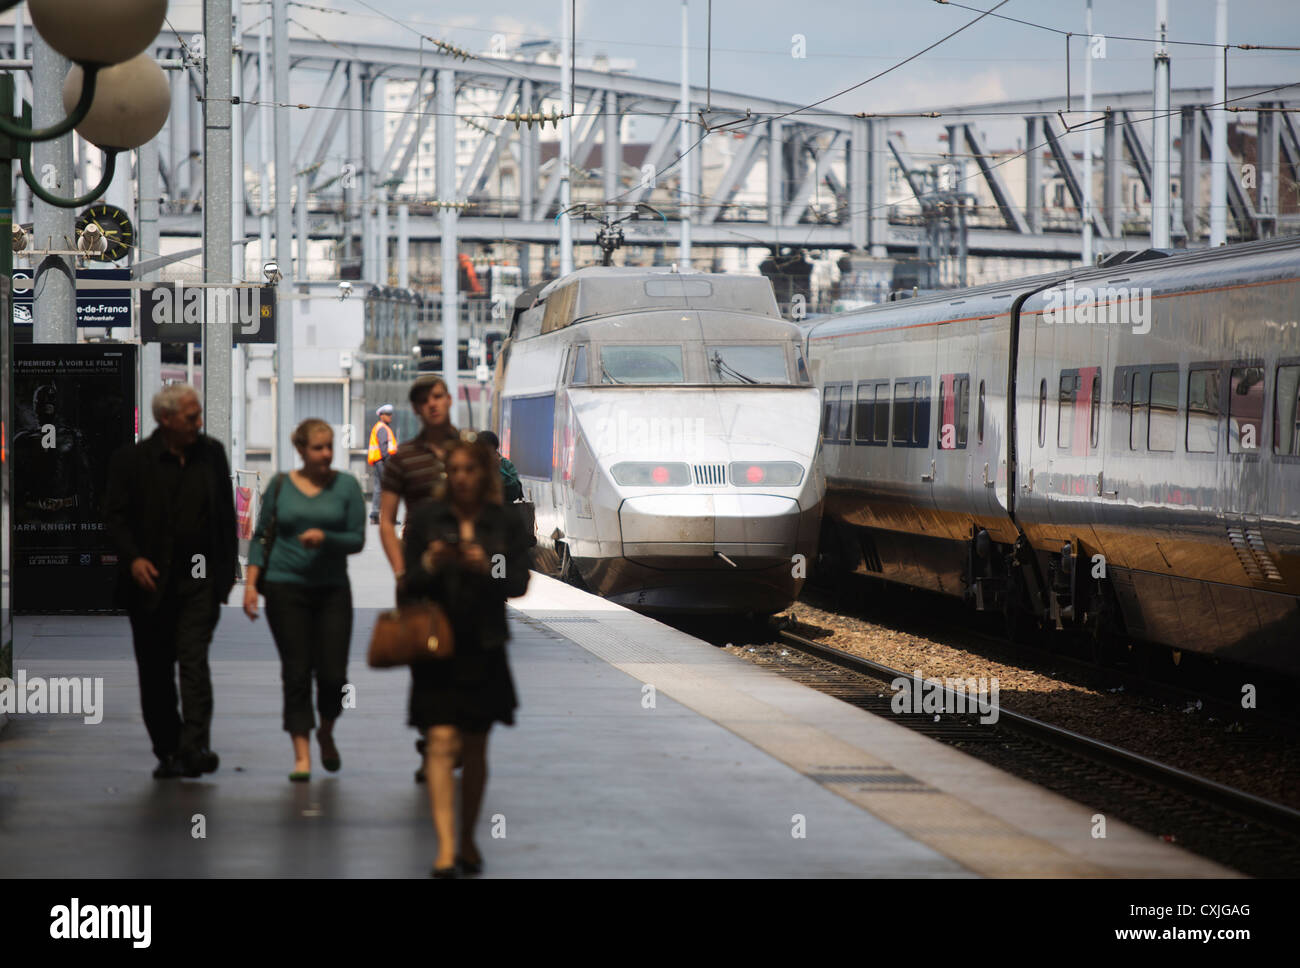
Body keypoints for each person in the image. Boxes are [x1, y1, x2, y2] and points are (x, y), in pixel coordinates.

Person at [402, 435, 531, 877]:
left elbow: (516, 583)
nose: (460, 478)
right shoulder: (425, 520)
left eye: (469, 470)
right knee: (439, 742)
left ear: (484, 474)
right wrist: (433, 565)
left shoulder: (505, 522)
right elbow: (409, 585)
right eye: (453, 470)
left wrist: (488, 563)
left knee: (474, 747)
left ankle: (470, 837)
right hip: (437, 647)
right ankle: (444, 845)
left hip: (484, 645)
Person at [104, 384, 238, 779]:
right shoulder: (131, 461)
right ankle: (169, 748)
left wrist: (222, 580)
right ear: (165, 420)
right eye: (190, 417)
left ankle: (195, 746)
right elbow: (114, 517)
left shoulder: (211, 454)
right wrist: (133, 559)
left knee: (194, 663)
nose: (199, 424)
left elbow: (225, 520)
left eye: (198, 415)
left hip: (200, 583)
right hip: (150, 586)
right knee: (156, 672)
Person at [243, 419, 365, 781]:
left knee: (332, 674)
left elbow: (357, 539)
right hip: (284, 587)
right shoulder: (281, 485)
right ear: (301, 450)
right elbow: (260, 536)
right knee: (296, 671)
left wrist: (326, 538)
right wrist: (251, 585)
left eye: (330, 447)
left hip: (331, 590)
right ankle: (301, 756)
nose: (326, 454)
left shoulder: (346, 486)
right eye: (318, 448)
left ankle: (325, 732)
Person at [379, 375, 458, 782]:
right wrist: (400, 570)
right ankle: (431, 743)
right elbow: (387, 521)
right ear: (415, 409)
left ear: (449, 400)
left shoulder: (469, 452)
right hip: (418, 576)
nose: (433, 405)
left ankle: (452, 736)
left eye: (439, 397)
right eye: (424, 400)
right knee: (426, 662)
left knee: (461, 661)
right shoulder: (403, 458)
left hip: (462, 579)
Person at [367, 404, 398, 524]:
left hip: (378, 461)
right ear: (381, 416)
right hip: (383, 462)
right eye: (388, 414)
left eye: (391, 414)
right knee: (387, 488)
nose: (390, 416)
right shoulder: (382, 429)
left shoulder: (381, 427)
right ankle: (388, 516)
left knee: (379, 488)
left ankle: (375, 515)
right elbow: (384, 449)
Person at [476, 430, 522, 503]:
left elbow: (514, 492)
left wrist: (497, 468)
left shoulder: (505, 464)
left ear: (494, 447)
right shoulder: (474, 464)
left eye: (487, 447)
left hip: (503, 510)